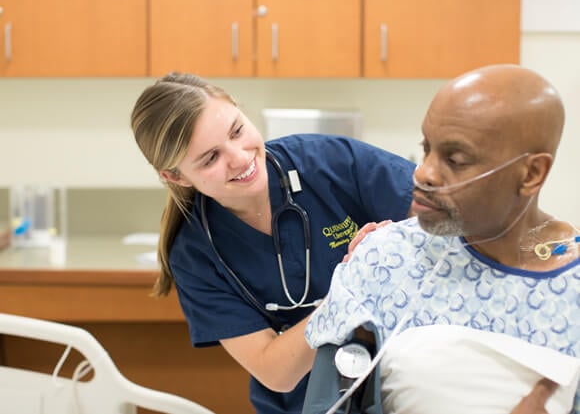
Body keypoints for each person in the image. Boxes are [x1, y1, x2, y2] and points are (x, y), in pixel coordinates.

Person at [129, 72, 417, 414]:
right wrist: (353, 285)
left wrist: (395, 243)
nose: (239, 157)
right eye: (210, 158)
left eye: (237, 131)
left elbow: (442, 221)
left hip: (407, 388)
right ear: (175, 176)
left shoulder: (329, 163)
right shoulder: (195, 253)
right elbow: (277, 372)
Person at [302, 64, 580, 414]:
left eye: (456, 159)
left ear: (531, 173)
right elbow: (327, 404)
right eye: (426, 147)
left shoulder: (571, 289)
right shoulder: (384, 259)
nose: (424, 172)